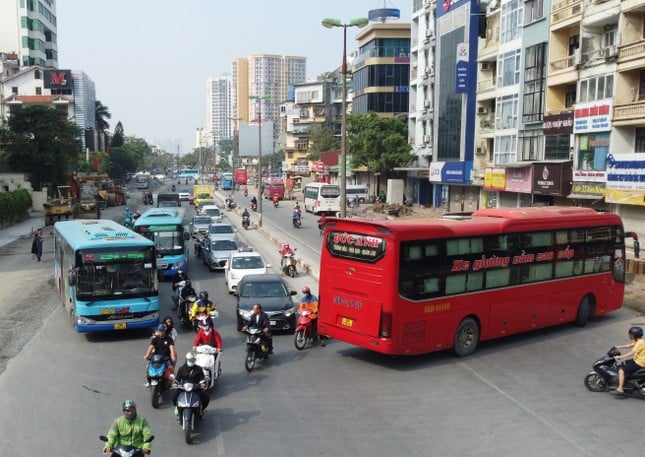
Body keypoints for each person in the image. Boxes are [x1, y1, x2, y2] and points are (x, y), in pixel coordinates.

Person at [172, 352, 209, 418]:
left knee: (206, 398)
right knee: (174, 398)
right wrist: (175, 384)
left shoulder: (199, 369)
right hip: (183, 388)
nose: (191, 362)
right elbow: (177, 379)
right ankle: (178, 408)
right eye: (190, 360)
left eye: (193, 360)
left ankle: (201, 411)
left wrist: (202, 384)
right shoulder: (181, 369)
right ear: (186, 360)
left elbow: (202, 379)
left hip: (195, 387)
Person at [613, 326, 645, 396]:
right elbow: (629, 345)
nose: (629, 335)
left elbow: (631, 353)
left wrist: (620, 357)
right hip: (637, 359)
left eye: (630, 334)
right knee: (624, 363)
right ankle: (626, 380)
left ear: (634, 335)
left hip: (640, 362)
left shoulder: (640, 343)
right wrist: (618, 347)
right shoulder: (638, 340)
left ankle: (620, 389)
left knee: (621, 371)